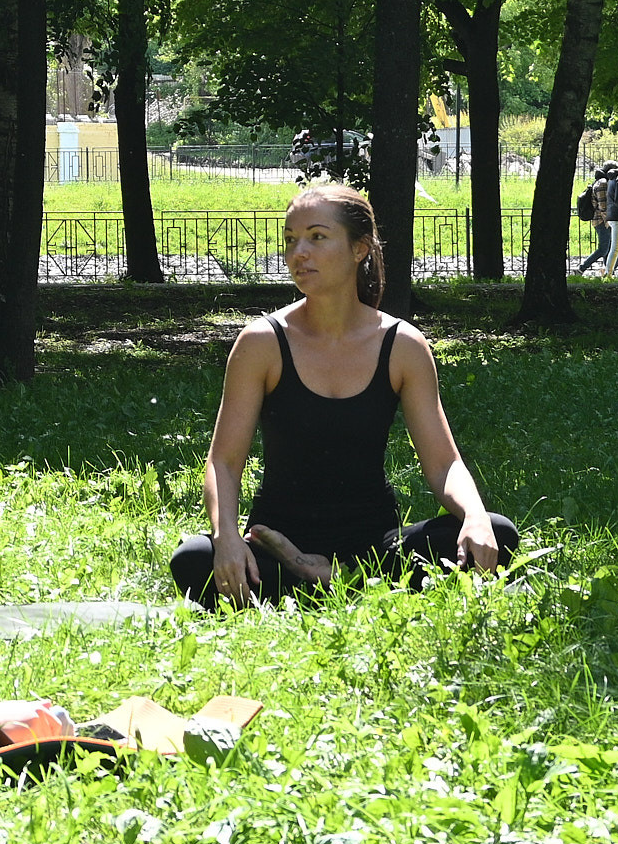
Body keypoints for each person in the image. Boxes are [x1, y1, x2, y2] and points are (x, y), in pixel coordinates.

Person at [171, 184, 519, 606]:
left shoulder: (402, 345)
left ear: (360, 249)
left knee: (497, 533)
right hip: (277, 543)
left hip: (377, 546)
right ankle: (332, 581)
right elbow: (223, 463)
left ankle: (331, 578)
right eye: (290, 239)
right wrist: (226, 537)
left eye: (317, 237)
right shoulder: (262, 342)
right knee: (194, 558)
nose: (299, 252)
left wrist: (475, 517)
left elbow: (444, 464)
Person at [573, 164, 616, 275]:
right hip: (601, 221)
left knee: (608, 248)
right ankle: (582, 268)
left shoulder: (601, 181)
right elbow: (603, 206)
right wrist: (608, 221)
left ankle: (608, 272)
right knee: (603, 249)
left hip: (601, 220)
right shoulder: (602, 183)